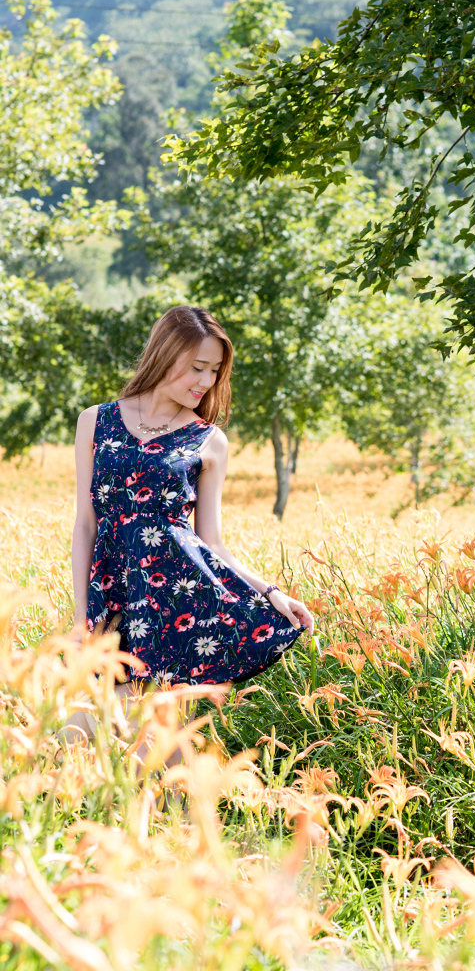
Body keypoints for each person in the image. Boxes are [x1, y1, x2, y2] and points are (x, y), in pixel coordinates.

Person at [67, 305, 314, 744]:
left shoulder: (209, 440)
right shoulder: (95, 421)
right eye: (198, 367)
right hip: (111, 597)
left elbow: (210, 542)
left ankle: (177, 810)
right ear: (164, 355)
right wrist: (80, 616)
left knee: (139, 731)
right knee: (83, 727)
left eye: (215, 371)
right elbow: (86, 524)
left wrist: (271, 593)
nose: (206, 381)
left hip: (171, 604)